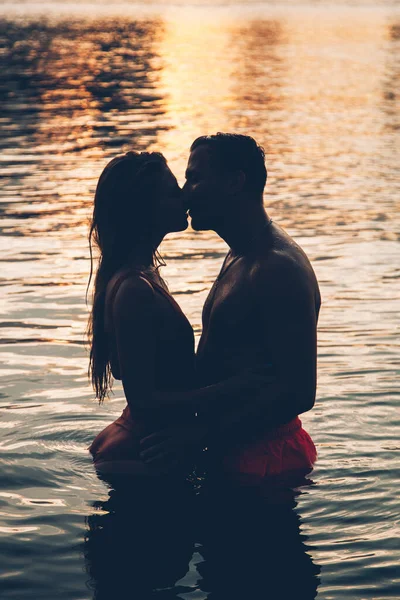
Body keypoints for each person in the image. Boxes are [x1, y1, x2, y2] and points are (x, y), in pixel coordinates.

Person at [140, 133, 320, 484]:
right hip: (230, 448)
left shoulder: (277, 268)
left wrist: (198, 439)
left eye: (195, 178)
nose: (185, 191)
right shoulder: (242, 251)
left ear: (235, 182)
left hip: (265, 461)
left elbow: (299, 391)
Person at [86, 150, 269, 477]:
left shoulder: (143, 274)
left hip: (149, 445)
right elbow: (144, 400)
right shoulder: (134, 290)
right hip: (143, 453)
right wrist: (239, 386)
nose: (185, 195)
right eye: (173, 191)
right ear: (145, 209)